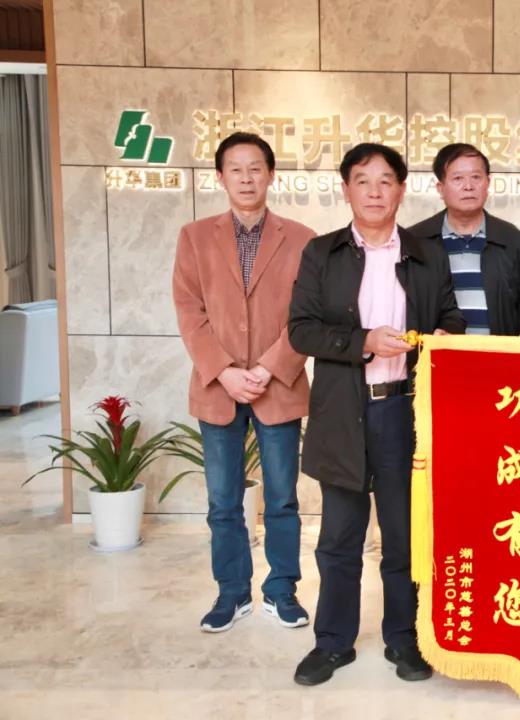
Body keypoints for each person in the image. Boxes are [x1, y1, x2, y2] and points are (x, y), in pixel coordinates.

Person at [288, 143, 465, 686]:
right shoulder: (322, 252)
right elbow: (301, 331)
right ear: (346, 189)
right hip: (343, 412)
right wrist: (363, 340)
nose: (374, 191)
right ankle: (332, 642)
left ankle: (404, 638)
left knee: (404, 534)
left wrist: (445, 335)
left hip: (404, 414)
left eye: (385, 181)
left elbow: (452, 317)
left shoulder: (426, 254)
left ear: (401, 191)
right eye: (362, 181)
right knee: (339, 537)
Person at [172, 131, 314, 633]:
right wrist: (225, 371)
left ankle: (282, 591)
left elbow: (307, 314)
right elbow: (189, 311)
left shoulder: (301, 238)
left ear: (271, 175)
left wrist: (270, 367)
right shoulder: (194, 237)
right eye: (236, 169)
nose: (247, 178)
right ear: (221, 177)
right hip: (218, 388)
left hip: (279, 385)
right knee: (223, 501)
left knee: (282, 499)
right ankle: (231, 593)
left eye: (256, 168)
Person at [408, 143, 520, 335]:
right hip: (435, 350)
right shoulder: (417, 240)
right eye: (458, 178)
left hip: (493, 351)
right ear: (440, 188)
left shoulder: (512, 240)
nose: (468, 186)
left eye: (476, 177)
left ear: (488, 183)